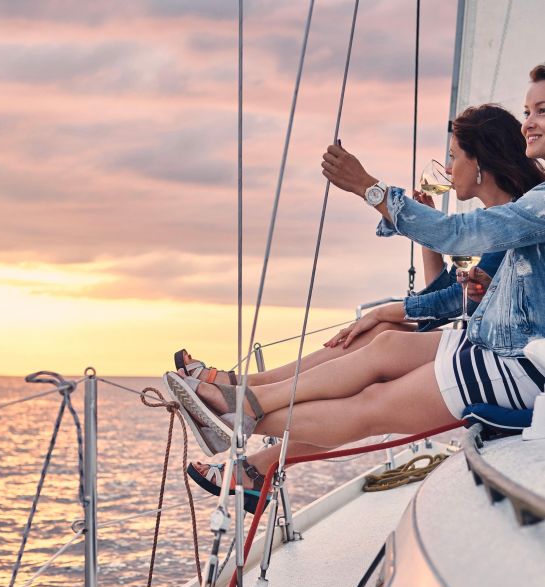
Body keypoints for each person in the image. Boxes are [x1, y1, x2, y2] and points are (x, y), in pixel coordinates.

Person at [171, 66, 545, 502]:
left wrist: (369, 189)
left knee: (370, 404)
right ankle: (241, 403)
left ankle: (237, 412)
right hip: (494, 342)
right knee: (383, 345)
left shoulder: (530, 207)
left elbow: (456, 252)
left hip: (519, 362)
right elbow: (465, 288)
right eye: (527, 111)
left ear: (479, 162)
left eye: (542, 111)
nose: (528, 123)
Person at [175, 104, 535, 388]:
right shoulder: (507, 219)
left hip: (504, 363)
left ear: (480, 163)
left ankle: (245, 396)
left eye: (454, 155)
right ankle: (245, 390)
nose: (447, 166)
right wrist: (425, 236)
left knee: (382, 338)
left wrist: (366, 186)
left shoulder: (516, 222)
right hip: (489, 351)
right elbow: (449, 294)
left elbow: (449, 303)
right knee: (381, 335)